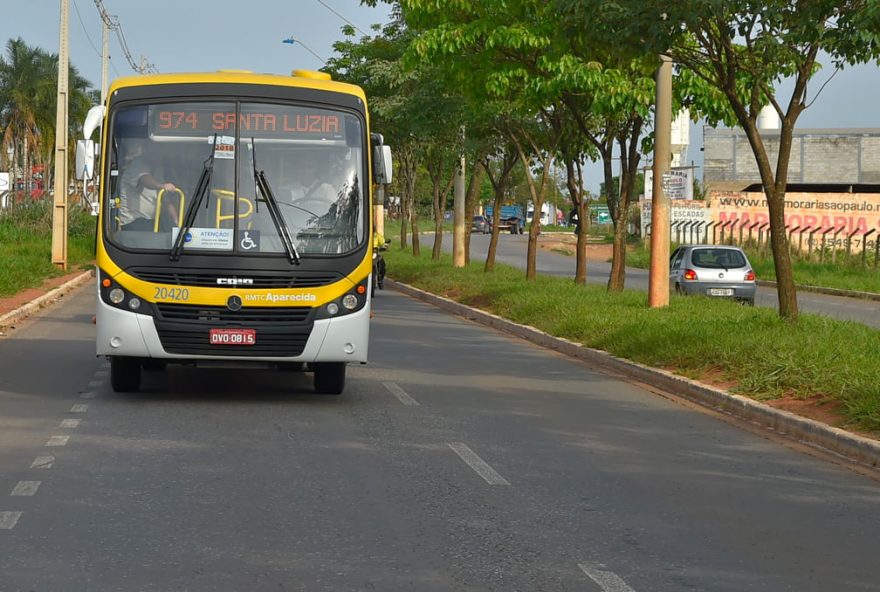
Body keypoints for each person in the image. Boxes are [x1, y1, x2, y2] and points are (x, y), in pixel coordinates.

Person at [118, 139, 179, 231]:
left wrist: (177, 221)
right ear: (146, 150)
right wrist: (162, 185)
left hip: (151, 221)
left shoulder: (158, 170)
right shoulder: (137, 163)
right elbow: (144, 179)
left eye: (161, 150)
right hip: (133, 221)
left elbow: (166, 199)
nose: (159, 153)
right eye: (156, 149)